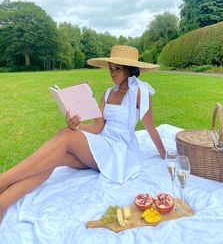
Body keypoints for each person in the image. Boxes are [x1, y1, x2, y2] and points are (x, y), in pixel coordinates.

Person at [0, 45, 166, 224]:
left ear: (130, 70)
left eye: (117, 69)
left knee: (65, 135)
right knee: (58, 153)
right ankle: (3, 202)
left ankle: (3, 180)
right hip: (102, 145)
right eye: (111, 69)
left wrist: (166, 155)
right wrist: (77, 127)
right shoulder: (108, 93)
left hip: (120, 153)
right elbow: (97, 127)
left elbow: (150, 127)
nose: (112, 73)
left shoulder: (139, 92)